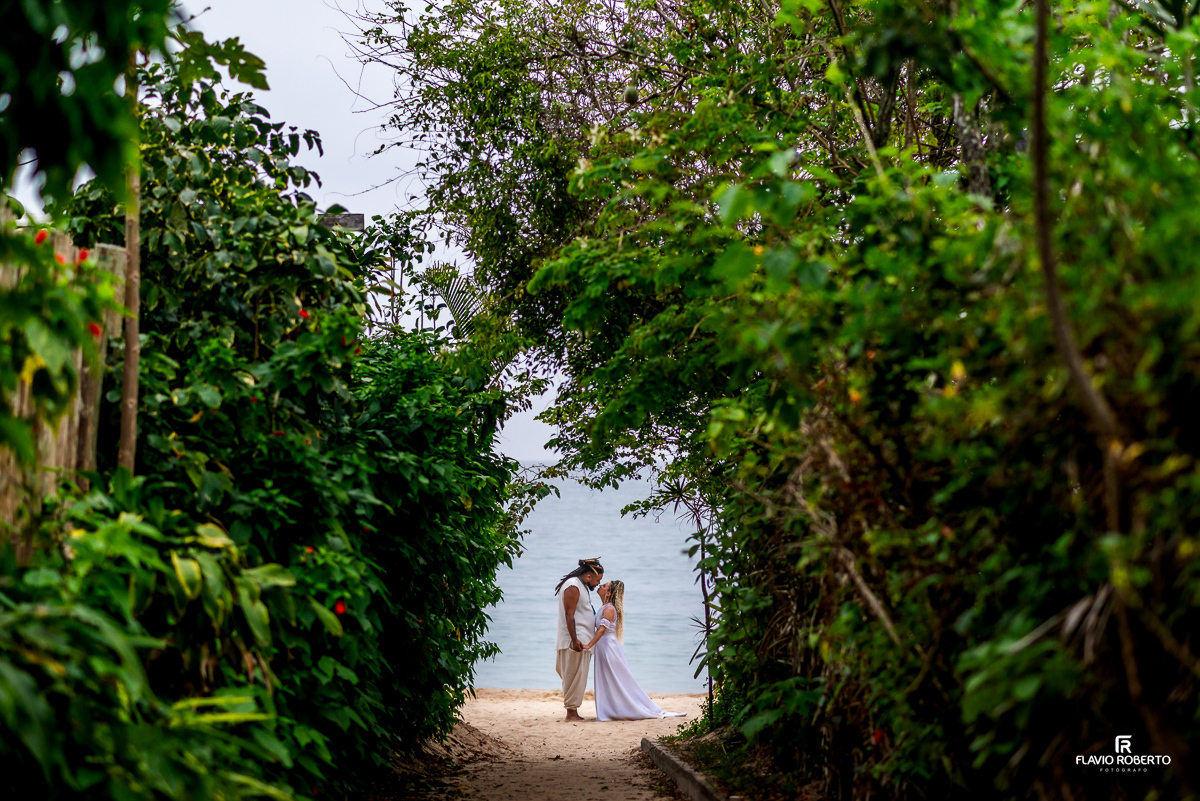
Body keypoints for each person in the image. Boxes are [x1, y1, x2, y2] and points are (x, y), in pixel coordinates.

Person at [583, 580, 686, 721]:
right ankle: (611, 708)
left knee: (616, 679)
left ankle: (623, 708)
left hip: (608, 648)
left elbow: (601, 631)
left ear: (608, 593)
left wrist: (589, 645)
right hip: (603, 647)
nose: (600, 586)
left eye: (603, 586)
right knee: (607, 679)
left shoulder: (609, 609)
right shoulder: (604, 607)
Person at [554, 557, 604, 721]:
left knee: (574, 675)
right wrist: (574, 640)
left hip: (580, 638)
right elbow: (570, 615)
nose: (597, 584)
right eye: (597, 580)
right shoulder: (574, 586)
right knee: (574, 675)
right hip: (577, 640)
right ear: (588, 576)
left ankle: (572, 711)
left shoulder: (579, 586)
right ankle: (571, 713)